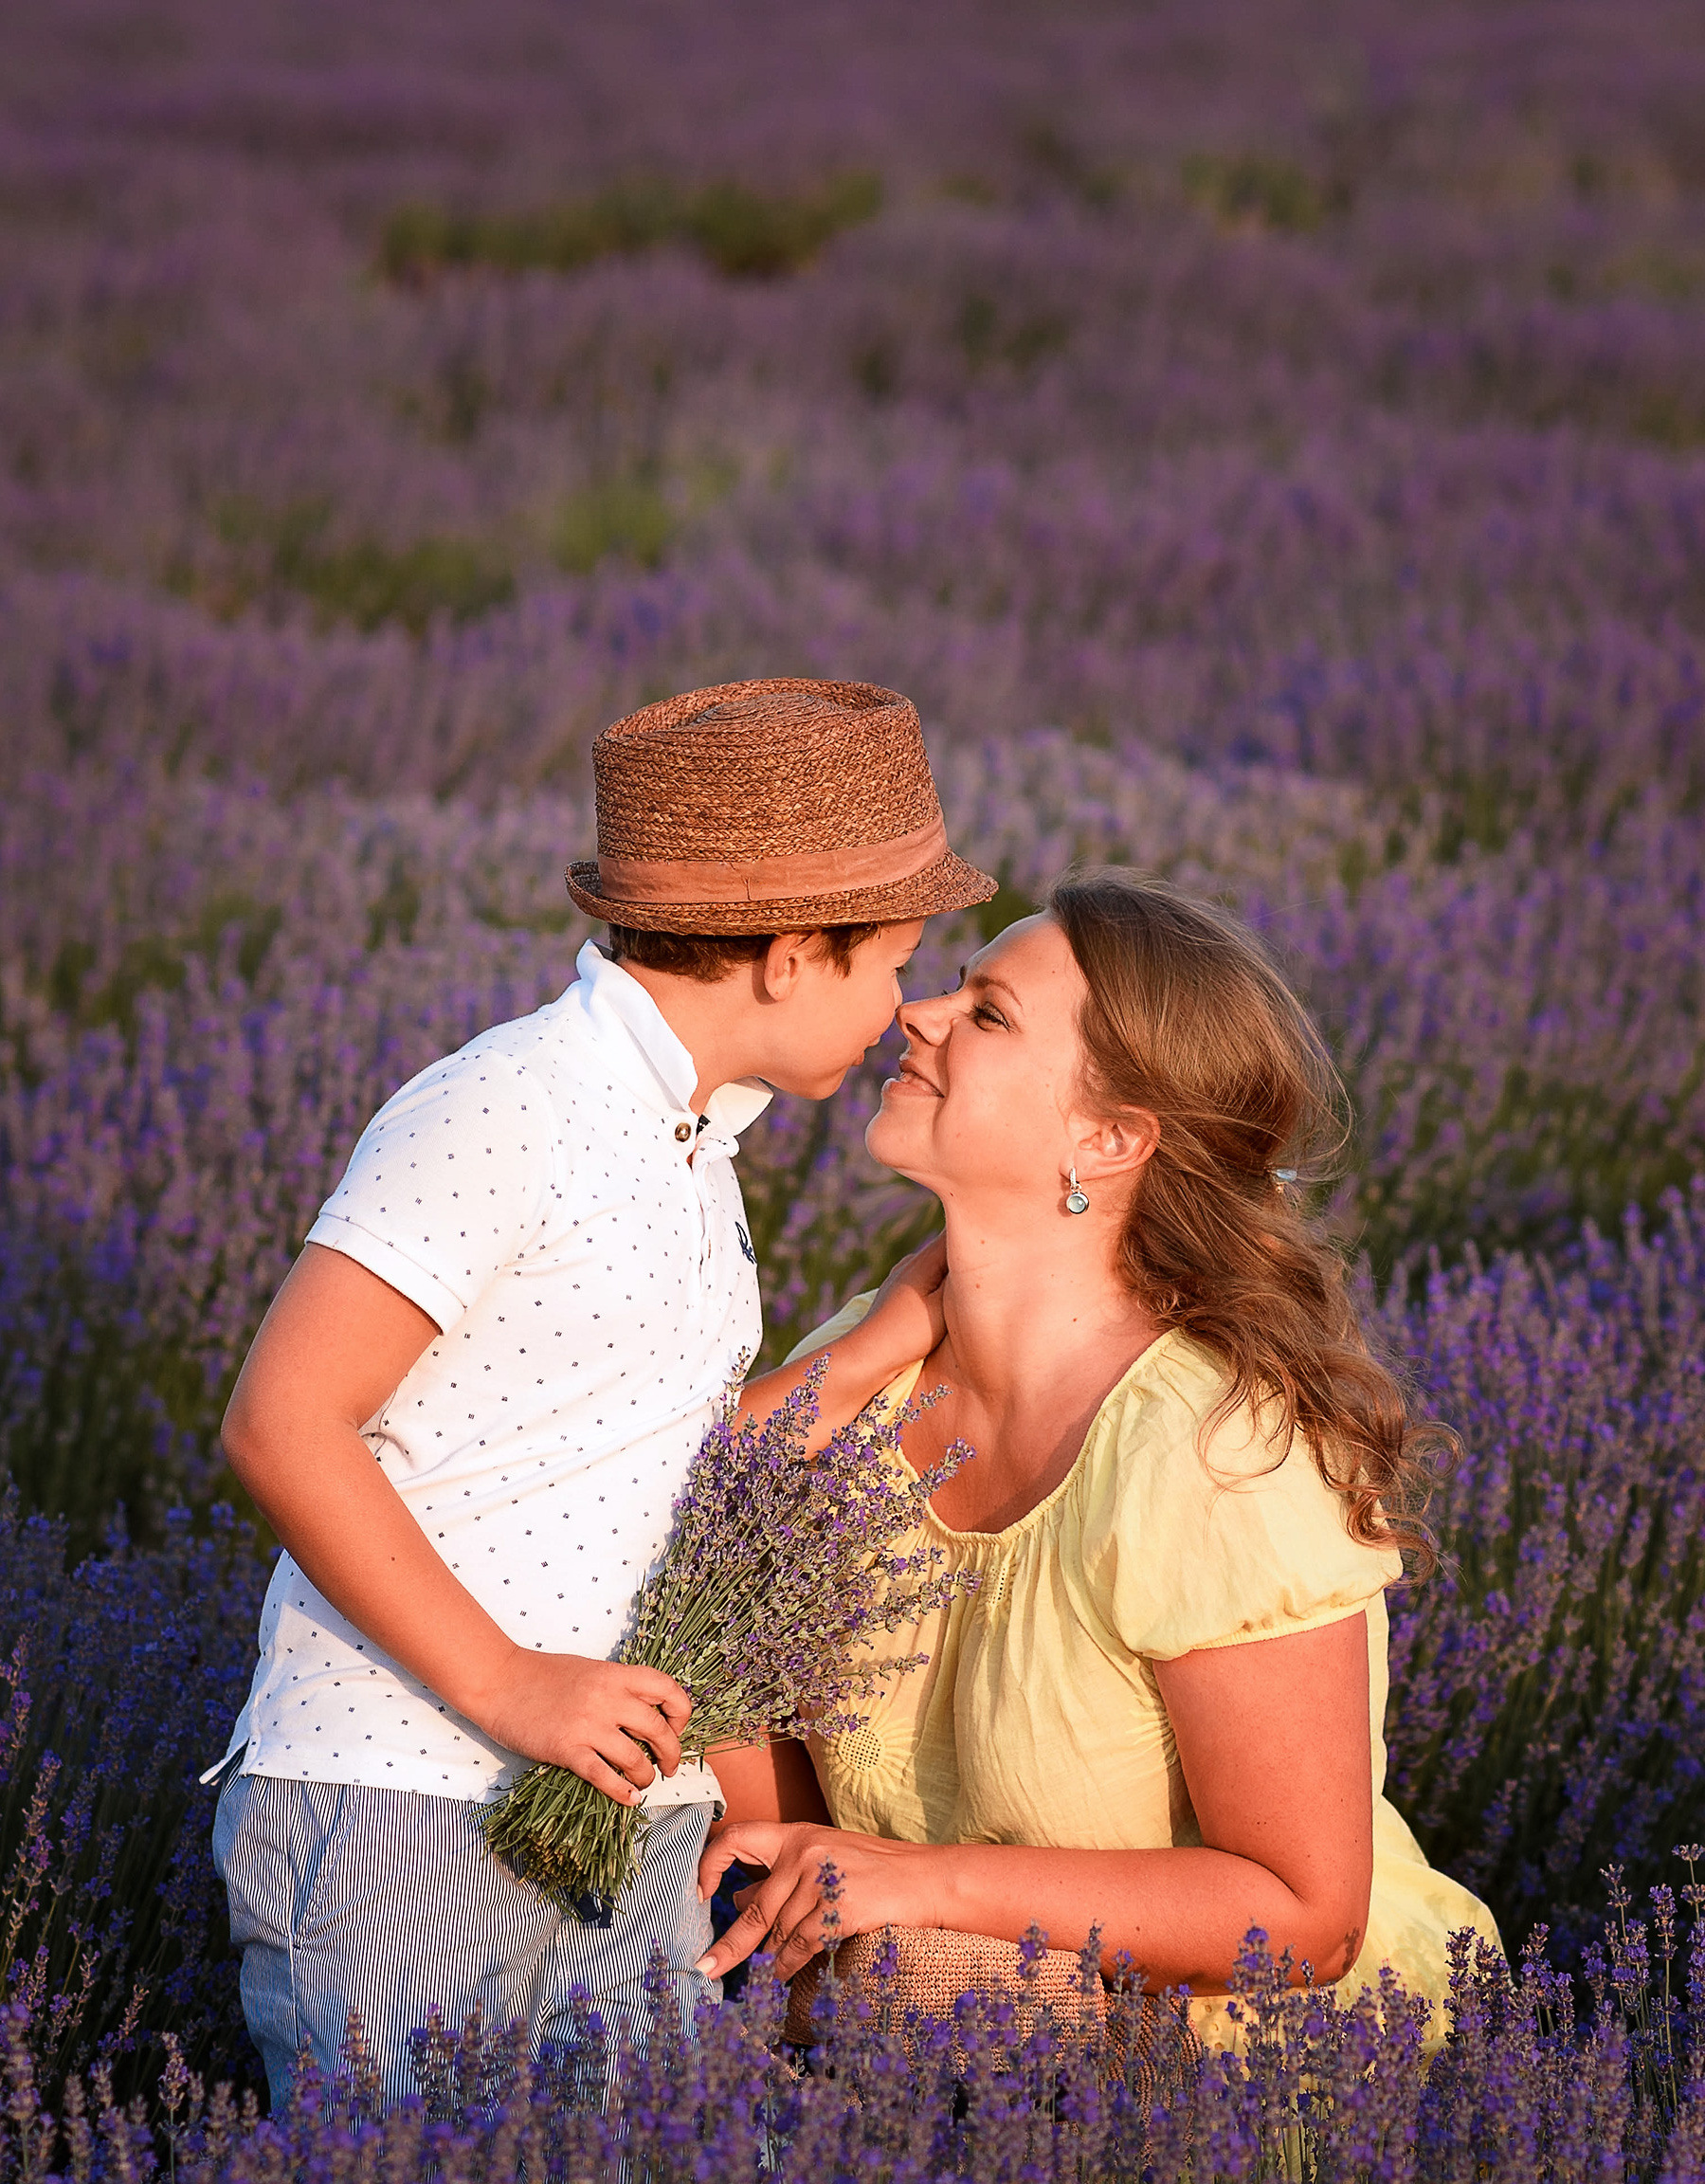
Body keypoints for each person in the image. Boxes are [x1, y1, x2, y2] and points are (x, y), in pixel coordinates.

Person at [208, 677, 995, 2104]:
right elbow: (282, 1420)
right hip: (415, 1792)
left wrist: (874, 1345)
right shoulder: (510, 1104)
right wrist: (511, 1686)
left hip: (613, 1799)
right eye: (894, 956)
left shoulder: (688, 1144)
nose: (906, 1004)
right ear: (787, 955)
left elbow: (646, 1466)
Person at [698, 869, 1503, 2050]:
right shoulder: (860, 1376)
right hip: (945, 2010)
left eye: (987, 1012)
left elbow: (1306, 1918)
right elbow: (674, 1530)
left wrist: (916, 1882)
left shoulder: (1215, 1450)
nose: (917, 1014)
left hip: (1242, 2073)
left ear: (1110, 1136)